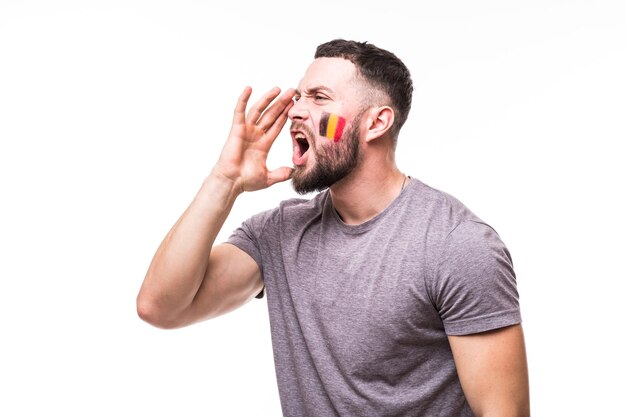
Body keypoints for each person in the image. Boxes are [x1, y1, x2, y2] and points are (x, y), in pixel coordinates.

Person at [137, 39, 530, 416]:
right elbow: (160, 307)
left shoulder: (456, 244)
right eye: (299, 97)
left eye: (319, 97)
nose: (295, 111)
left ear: (376, 123)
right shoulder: (279, 234)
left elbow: (503, 411)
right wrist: (225, 180)